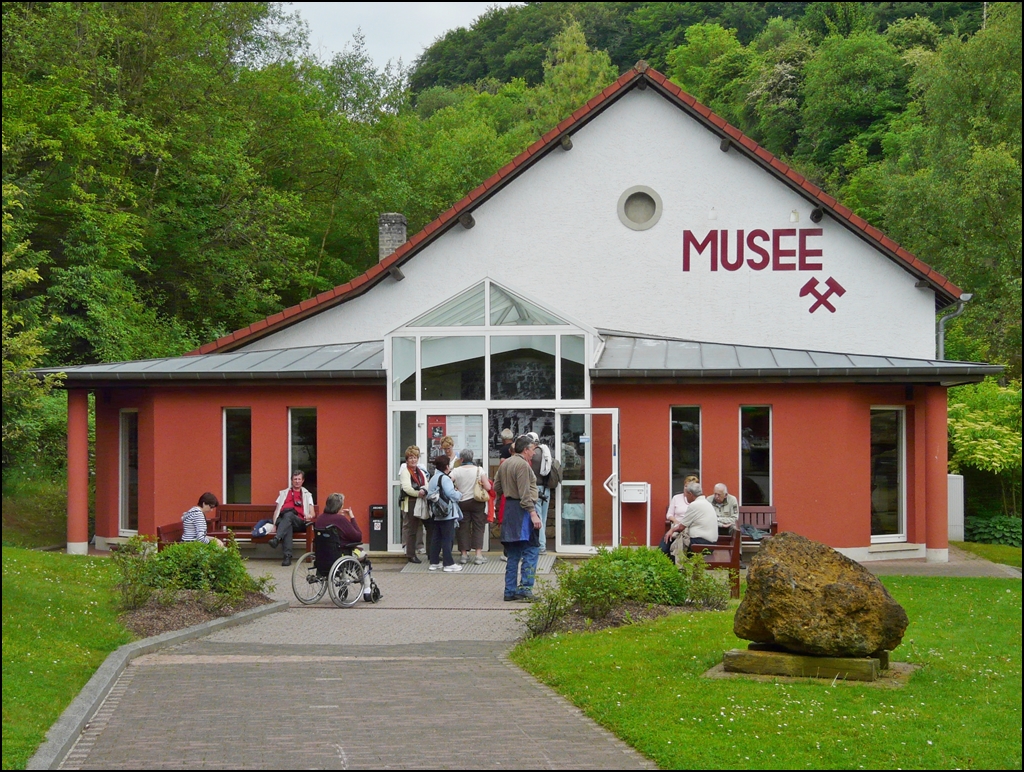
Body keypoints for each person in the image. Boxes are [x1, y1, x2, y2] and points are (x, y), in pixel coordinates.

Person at [493, 435, 542, 601]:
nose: (534, 453)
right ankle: (525, 588)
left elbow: (496, 486)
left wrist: (505, 495)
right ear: (526, 449)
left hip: (510, 510)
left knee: (513, 553)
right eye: (532, 450)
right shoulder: (522, 465)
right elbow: (525, 493)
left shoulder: (505, 463)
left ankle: (510, 590)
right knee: (531, 549)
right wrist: (533, 514)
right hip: (523, 512)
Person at [660, 480, 718, 561]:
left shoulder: (695, 505)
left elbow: (681, 527)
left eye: (686, 494)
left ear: (690, 494)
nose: (685, 496)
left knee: (672, 541)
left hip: (701, 543)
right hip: (709, 543)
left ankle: (671, 566)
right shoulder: (706, 502)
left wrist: (671, 530)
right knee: (673, 539)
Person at [451, 448, 491, 565]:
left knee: (463, 528)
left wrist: (456, 489)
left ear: (462, 459)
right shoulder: (479, 470)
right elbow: (488, 487)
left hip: (462, 502)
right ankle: (478, 555)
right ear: (472, 458)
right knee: (478, 527)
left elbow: (448, 482)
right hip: (477, 502)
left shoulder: (456, 471)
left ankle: (464, 555)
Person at [269, 470, 315, 566]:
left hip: (299, 522)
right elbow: (277, 510)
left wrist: (310, 516)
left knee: (289, 515)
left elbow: (312, 512)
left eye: (299, 479)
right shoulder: (283, 493)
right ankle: (287, 557)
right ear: (291, 480)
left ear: (302, 481)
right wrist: (274, 525)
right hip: (283, 521)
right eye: (295, 479)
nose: (297, 481)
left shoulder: (307, 494)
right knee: (287, 523)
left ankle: (277, 538)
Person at [427, 454, 464, 572]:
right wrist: (459, 494)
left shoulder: (433, 478)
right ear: (447, 466)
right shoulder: (445, 479)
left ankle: (434, 562)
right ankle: (448, 563)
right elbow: (451, 494)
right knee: (448, 538)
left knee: (436, 538)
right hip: (447, 512)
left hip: (437, 512)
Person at [399, 445, 429, 564]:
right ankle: (411, 554)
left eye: (415, 457)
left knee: (428, 526)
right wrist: (418, 493)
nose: (413, 460)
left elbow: (426, 483)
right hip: (411, 502)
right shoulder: (405, 471)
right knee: (412, 529)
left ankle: (430, 552)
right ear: (407, 459)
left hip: (421, 501)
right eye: (411, 457)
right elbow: (406, 488)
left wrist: (425, 491)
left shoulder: (420, 471)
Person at [526, 431, 553, 554]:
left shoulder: (532, 455)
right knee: (544, 517)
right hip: (546, 488)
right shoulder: (545, 452)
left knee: (537, 517)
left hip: (535, 488)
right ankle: (543, 544)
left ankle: (541, 546)